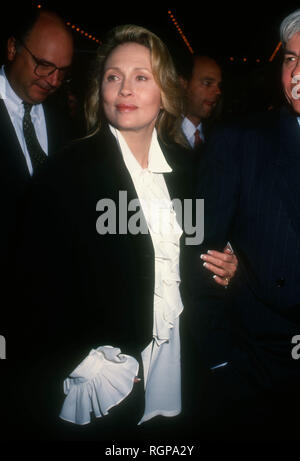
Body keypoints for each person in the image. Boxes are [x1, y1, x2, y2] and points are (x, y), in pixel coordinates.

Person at [12, 24, 237, 441]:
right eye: (113, 76)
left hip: (179, 367)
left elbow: (193, 263)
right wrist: (84, 362)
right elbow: (32, 286)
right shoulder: (67, 171)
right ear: (100, 90)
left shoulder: (189, 171)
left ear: (165, 92)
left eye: (141, 77)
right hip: (111, 375)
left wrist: (225, 266)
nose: (125, 89)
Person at [182, 8, 300, 440]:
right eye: (290, 59)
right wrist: (223, 362)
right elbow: (198, 250)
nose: (297, 73)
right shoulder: (239, 142)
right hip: (264, 374)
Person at [178, 55, 222, 153]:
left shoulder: (221, 137)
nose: (218, 91)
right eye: (207, 83)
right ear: (183, 84)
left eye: (219, 85)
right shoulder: (159, 136)